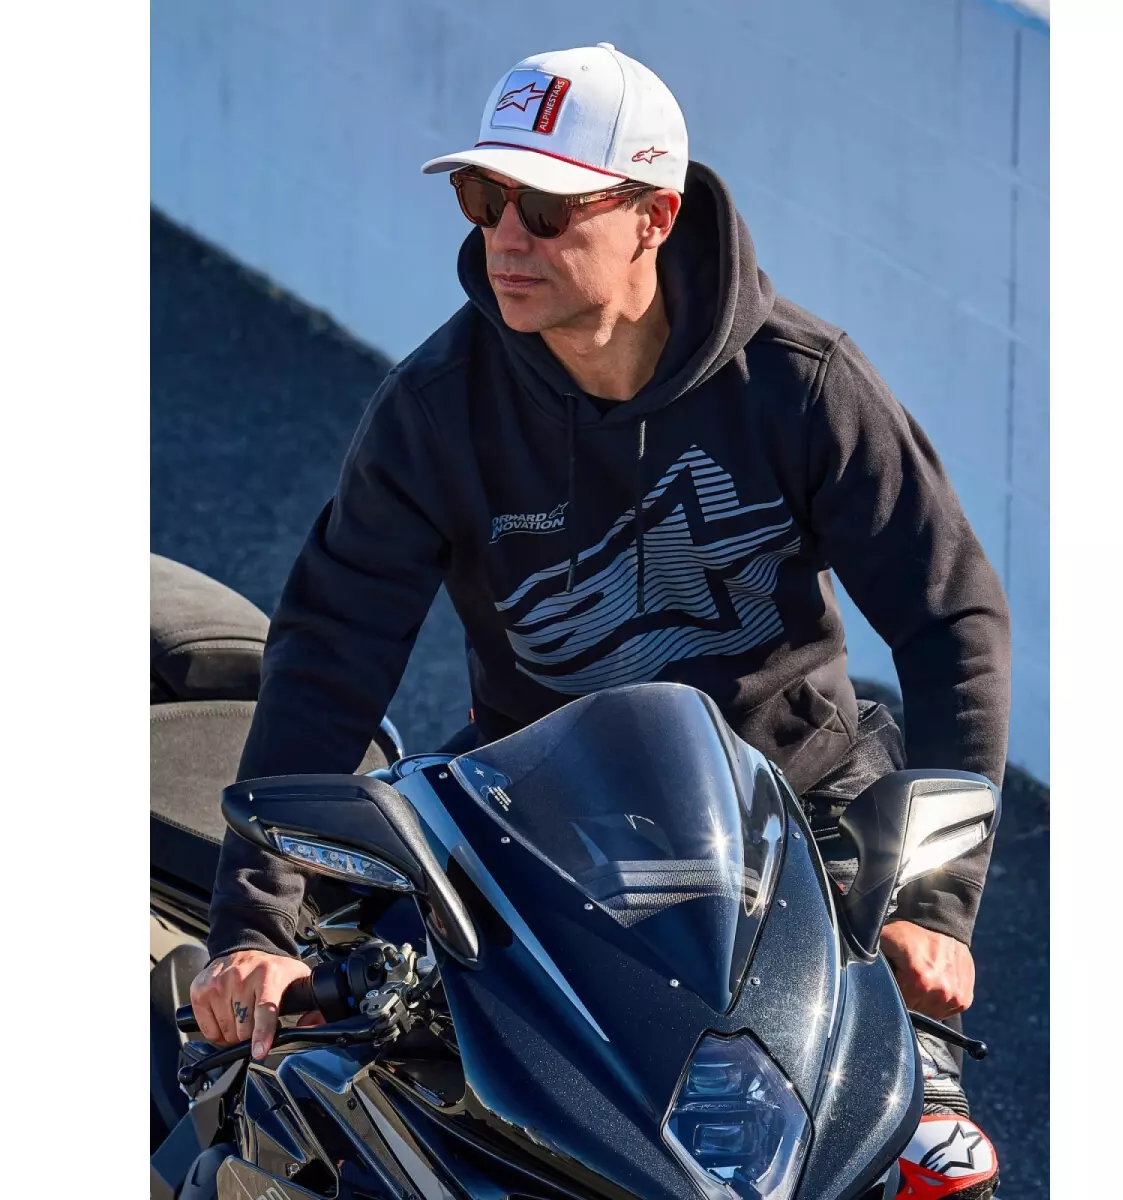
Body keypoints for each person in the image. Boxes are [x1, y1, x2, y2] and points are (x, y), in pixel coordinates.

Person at [191, 43, 1009, 1196]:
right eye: (483, 198)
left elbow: (953, 621)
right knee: (375, 1133)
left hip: (795, 834)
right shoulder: (436, 410)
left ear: (652, 216)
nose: (504, 237)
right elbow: (331, 655)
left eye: (546, 207)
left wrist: (934, 908)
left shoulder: (804, 383)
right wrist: (255, 930)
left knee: (931, 1167)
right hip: (546, 839)